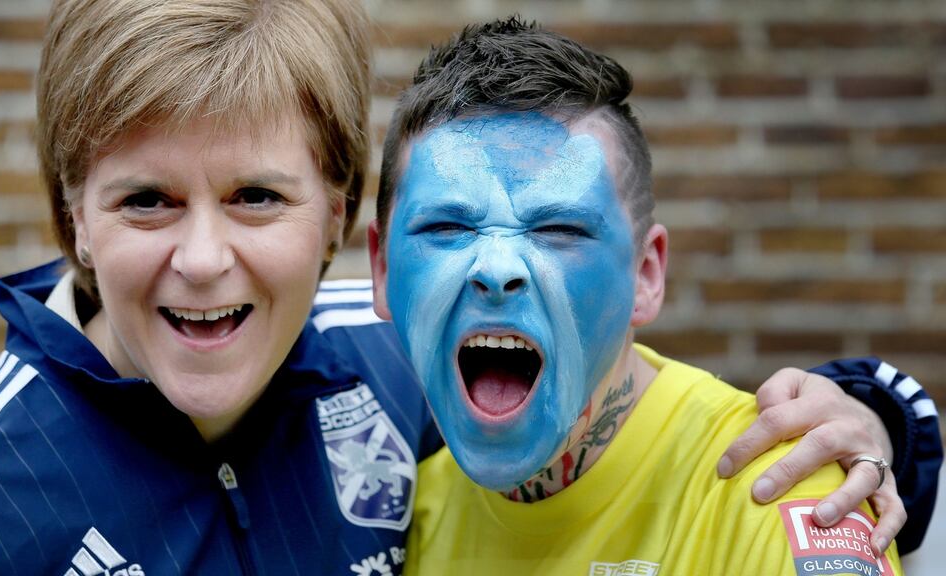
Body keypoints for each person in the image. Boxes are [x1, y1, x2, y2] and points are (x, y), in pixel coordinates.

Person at [0, 2, 937, 574]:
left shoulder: (393, 359)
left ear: (336, 217)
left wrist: (879, 416)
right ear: (74, 216)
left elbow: (613, 389)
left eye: (256, 197)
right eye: (145, 201)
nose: (200, 257)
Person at [366, 17, 941, 574]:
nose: (496, 268)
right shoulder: (389, 523)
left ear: (646, 274)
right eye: (446, 228)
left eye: (558, 229)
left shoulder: (781, 490)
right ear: (382, 267)